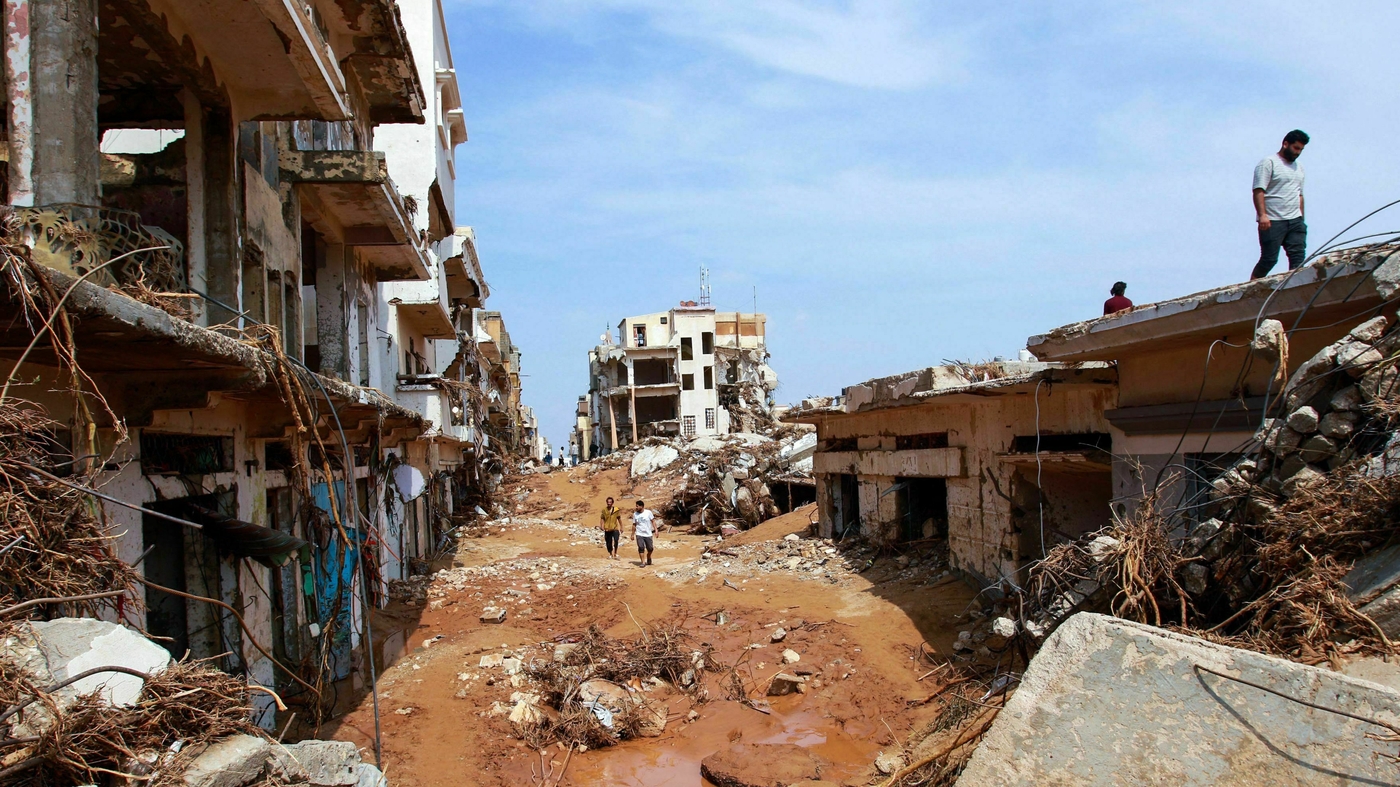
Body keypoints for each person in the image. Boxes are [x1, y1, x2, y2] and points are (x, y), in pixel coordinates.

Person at [1251, 130, 1309, 280]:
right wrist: (1263, 215)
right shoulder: (1268, 163)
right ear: (1285, 144)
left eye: (1301, 150)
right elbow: (1258, 190)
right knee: (1269, 259)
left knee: (1298, 258)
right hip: (1272, 221)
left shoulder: (1299, 167)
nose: (1298, 152)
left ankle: (1295, 288)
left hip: (1295, 219)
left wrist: (1301, 219)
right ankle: (1251, 287)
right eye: (1296, 148)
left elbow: (1300, 194)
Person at [632, 499, 656, 566]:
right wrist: (632, 534)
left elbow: (653, 521)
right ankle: (643, 562)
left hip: (648, 534)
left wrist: (656, 530)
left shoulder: (648, 512)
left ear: (641, 506)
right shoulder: (635, 514)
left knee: (650, 548)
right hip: (639, 534)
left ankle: (648, 556)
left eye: (637, 506)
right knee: (641, 547)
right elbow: (634, 525)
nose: (636, 507)